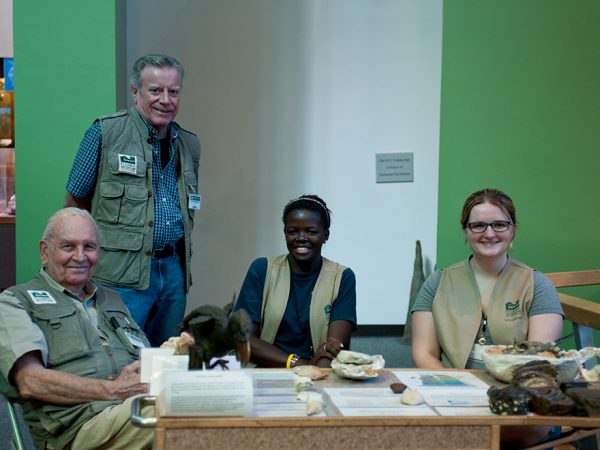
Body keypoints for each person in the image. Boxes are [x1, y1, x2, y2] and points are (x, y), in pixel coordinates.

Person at [65, 54, 201, 347]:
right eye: (155, 90)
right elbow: (74, 205)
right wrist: (79, 266)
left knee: (167, 357)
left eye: (173, 92)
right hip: (121, 277)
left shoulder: (190, 144)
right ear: (135, 91)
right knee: (117, 356)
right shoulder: (105, 132)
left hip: (173, 273)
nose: (166, 99)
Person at [411, 188, 564, 447]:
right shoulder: (438, 282)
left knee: (504, 430)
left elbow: (536, 359)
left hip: (521, 400)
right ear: (466, 231)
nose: (489, 233)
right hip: (453, 393)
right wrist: (460, 389)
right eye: (478, 225)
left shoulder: (537, 284)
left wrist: (498, 398)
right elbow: (423, 354)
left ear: (513, 229)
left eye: (499, 224)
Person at [0, 208, 152, 450]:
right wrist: (113, 390)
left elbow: (148, 361)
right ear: (44, 251)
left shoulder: (112, 300)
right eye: (68, 247)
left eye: (89, 247)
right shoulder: (16, 301)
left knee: (216, 401)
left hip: (136, 407)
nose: (80, 257)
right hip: (79, 427)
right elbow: (30, 381)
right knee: (182, 415)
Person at [234, 194, 357, 368]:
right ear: (285, 233)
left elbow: (334, 348)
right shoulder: (262, 269)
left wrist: (312, 373)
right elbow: (242, 340)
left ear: (325, 235)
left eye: (311, 231)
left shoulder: (342, 276)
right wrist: (298, 364)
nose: (301, 237)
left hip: (319, 372)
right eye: (292, 231)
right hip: (264, 371)